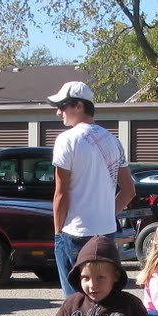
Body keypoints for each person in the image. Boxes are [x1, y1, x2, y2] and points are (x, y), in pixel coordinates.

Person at [49, 80, 134, 298]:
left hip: (74, 232)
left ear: (79, 105)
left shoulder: (66, 140)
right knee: (105, 299)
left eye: (62, 106)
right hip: (106, 233)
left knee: (76, 302)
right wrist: (106, 213)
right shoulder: (113, 141)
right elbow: (128, 190)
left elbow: (61, 192)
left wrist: (58, 233)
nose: (59, 113)